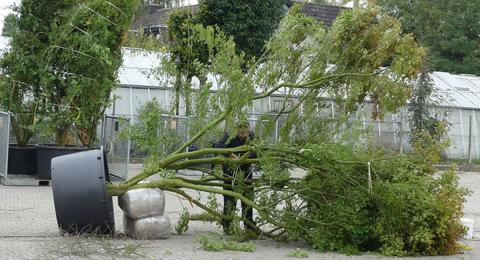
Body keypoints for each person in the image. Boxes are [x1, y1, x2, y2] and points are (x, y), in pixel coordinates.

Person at [215, 120, 256, 234]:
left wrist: (247, 158)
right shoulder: (230, 135)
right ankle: (227, 225)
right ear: (236, 129)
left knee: (248, 198)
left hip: (246, 172)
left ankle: (249, 226)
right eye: (240, 130)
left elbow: (257, 150)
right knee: (230, 199)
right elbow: (218, 145)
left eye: (245, 131)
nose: (242, 134)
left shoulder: (252, 136)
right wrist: (232, 155)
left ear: (248, 130)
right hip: (230, 172)